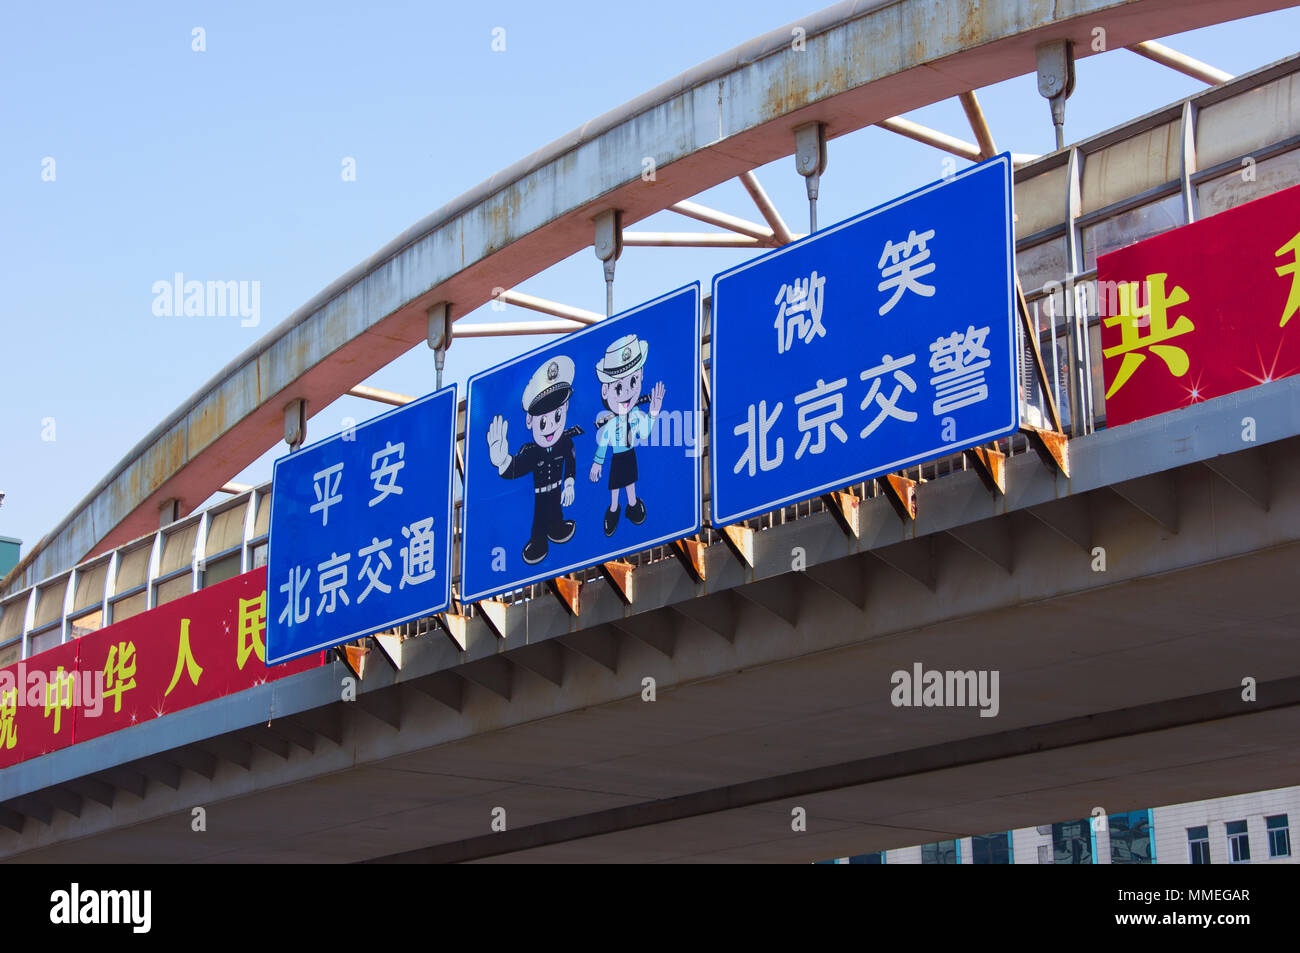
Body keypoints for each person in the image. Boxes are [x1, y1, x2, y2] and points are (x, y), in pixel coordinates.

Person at [486, 355, 583, 565]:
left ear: (565, 409)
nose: (549, 427)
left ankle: (557, 529)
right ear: (530, 421)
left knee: (556, 514)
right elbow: (516, 468)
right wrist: (502, 460)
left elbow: (572, 461)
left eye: (556, 416)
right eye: (543, 421)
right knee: (538, 521)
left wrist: (569, 483)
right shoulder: (531, 452)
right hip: (540, 495)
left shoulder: (566, 443)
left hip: (557, 489)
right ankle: (538, 542)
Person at [588, 334, 664, 536]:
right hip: (617, 457)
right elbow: (603, 443)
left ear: (641, 376)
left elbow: (646, 431)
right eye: (619, 387)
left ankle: (632, 505)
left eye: (633, 382)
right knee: (615, 485)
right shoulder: (610, 422)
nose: (627, 393)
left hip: (630, 454)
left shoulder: (637, 415)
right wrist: (597, 463)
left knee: (630, 481)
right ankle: (613, 509)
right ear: (605, 391)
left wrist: (654, 412)